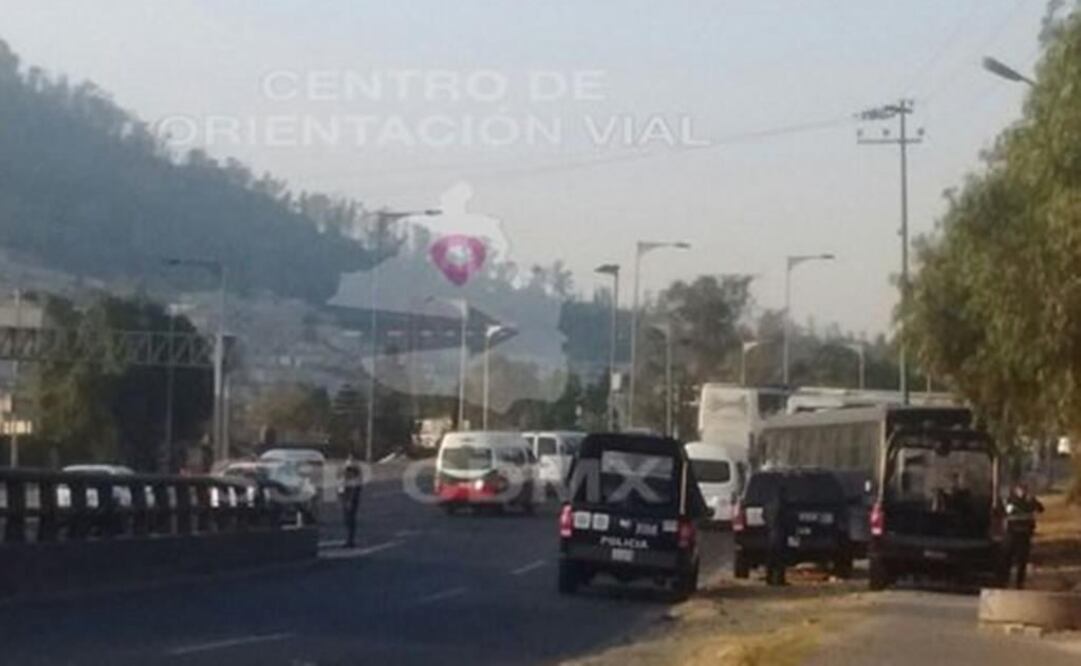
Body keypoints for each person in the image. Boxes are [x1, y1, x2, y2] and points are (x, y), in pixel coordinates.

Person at [1003, 482, 1044, 589]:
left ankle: (1019, 583)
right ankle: (1005, 580)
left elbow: (1041, 509)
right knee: (1008, 557)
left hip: (1025, 534)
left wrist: (1034, 502)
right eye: (1020, 490)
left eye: (1024, 490)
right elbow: (1006, 511)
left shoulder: (1030, 501)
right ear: (1016, 491)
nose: (1022, 492)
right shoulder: (1011, 500)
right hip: (1012, 534)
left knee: (1022, 560)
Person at [765, 483, 789, 586]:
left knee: (771, 558)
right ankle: (779, 580)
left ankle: (769, 579)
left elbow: (764, 516)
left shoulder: (768, 504)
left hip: (771, 533)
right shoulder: (782, 505)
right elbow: (785, 519)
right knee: (780, 558)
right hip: (779, 533)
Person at [339, 460, 363, 549]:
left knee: (350, 520)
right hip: (346, 501)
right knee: (347, 520)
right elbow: (341, 489)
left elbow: (354, 492)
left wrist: (349, 501)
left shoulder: (354, 480)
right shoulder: (347, 478)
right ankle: (349, 539)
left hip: (349, 502)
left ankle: (350, 540)